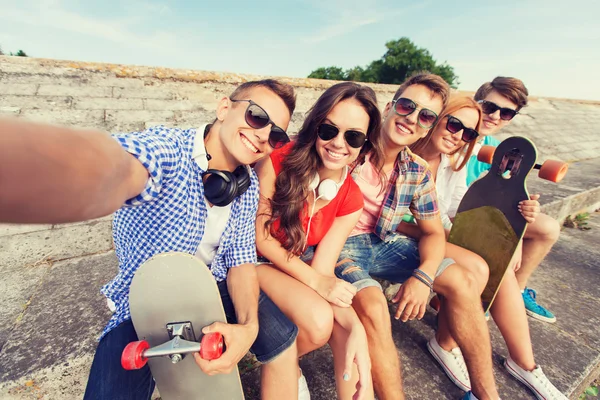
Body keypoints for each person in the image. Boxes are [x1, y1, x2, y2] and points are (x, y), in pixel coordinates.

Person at [0, 79, 305, 400]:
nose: (262, 135)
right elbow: (116, 166)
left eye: (276, 134)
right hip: (151, 298)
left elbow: (241, 261)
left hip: (212, 287)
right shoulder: (168, 150)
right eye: (257, 116)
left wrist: (248, 329)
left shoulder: (247, 185)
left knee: (284, 339)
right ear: (223, 108)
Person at [333, 72, 500, 400]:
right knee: (374, 305)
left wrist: (423, 276)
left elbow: (434, 232)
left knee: (464, 280)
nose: (412, 119)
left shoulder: (415, 170)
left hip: (382, 239)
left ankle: (487, 395)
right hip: (338, 244)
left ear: (430, 125)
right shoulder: (350, 144)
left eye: (425, 116)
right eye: (407, 106)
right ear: (390, 105)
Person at [408, 94, 567, 399]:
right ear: (436, 117)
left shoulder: (451, 162)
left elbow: (456, 209)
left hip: (437, 234)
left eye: (467, 133)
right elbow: (396, 218)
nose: (458, 136)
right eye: (454, 124)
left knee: (497, 262)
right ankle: (445, 343)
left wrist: (511, 228)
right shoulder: (406, 153)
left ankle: (525, 364)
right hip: (411, 236)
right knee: (482, 264)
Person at [255, 82, 383, 400]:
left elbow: (323, 270)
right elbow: (261, 239)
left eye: (353, 136)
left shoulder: (350, 197)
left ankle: (286, 365)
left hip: (294, 268)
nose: (339, 143)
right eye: (329, 130)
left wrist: (356, 327)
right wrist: (317, 282)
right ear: (315, 128)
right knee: (318, 318)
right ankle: (284, 365)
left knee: (341, 330)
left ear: (364, 143)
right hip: (253, 259)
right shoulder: (277, 161)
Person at [467, 77, 561, 323]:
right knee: (504, 244)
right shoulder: (454, 135)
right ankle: (487, 297)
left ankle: (515, 293)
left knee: (547, 228)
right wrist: (512, 235)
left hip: (488, 213)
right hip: (464, 215)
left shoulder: (499, 148)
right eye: (489, 107)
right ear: (475, 102)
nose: (495, 116)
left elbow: (504, 193)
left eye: (507, 113)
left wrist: (523, 207)